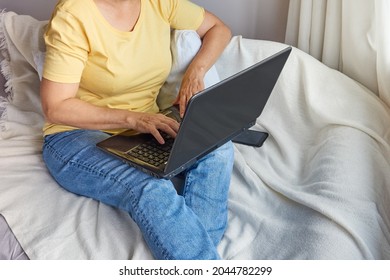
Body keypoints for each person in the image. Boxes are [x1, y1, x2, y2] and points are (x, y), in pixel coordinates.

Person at [40, 0, 233, 260]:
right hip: (75, 135)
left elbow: (219, 29)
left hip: (145, 127)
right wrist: (133, 119)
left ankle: (197, 258)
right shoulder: (74, 13)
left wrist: (195, 72)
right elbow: (56, 107)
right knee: (150, 187)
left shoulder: (160, 2)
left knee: (218, 146)